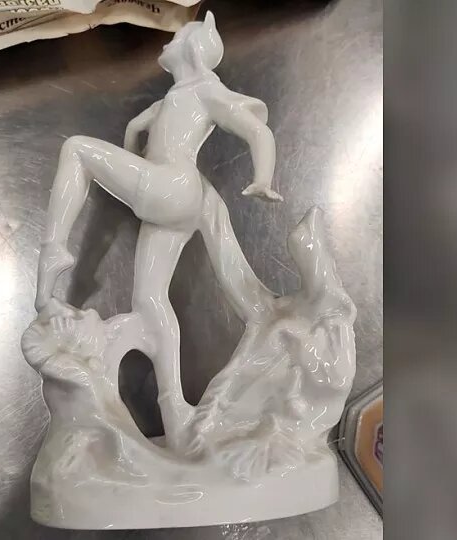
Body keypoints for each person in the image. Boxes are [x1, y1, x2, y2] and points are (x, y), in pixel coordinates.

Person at [35, 11, 281, 452]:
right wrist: (131, 171)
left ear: (191, 49)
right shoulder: (173, 98)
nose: (167, 41)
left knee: (77, 149)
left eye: (177, 35)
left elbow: (256, 131)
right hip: (169, 200)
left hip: (171, 186)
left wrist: (263, 178)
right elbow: (134, 130)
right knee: (149, 301)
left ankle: (54, 248)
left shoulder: (205, 88)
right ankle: (175, 409)